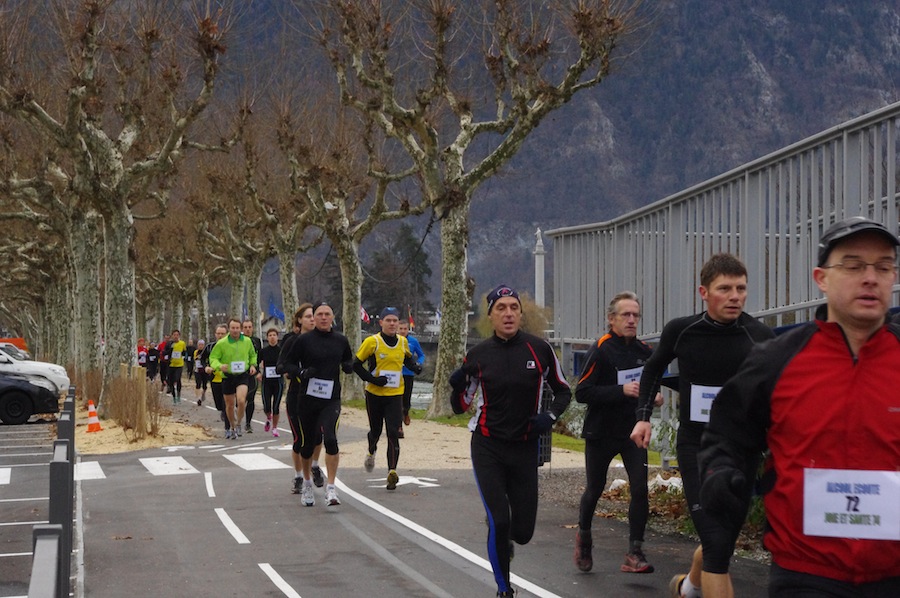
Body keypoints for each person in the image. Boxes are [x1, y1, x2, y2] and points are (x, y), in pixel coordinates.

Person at [699, 217, 900, 597]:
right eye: (854, 266)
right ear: (821, 278)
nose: (870, 277)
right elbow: (728, 433)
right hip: (805, 574)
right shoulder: (777, 359)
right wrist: (719, 471)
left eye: (884, 266)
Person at [629, 253, 775, 598]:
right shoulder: (683, 331)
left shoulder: (760, 336)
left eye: (741, 288)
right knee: (715, 542)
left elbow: (778, 392)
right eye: (725, 288)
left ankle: (689, 587)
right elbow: (652, 370)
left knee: (722, 541)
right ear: (704, 292)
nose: (735, 296)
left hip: (743, 450)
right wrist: (642, 417)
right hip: (697, 446)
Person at [449, 284, 571, 598]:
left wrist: (550, 418)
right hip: (487, 446)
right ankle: (504, 589)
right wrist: (456, 386)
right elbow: (461, 406)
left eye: (513, 308)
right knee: (498, 520)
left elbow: (563, 391)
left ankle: (507, 542)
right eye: (501, 308)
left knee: (523, 532)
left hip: (525, 447)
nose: (508, 313)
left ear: (520, 313)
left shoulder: (539, 349)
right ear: (490, 315)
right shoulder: (477, 355)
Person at [574, 291, 663, 574]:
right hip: (601, 432)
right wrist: (620, 390)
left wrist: (654, 397)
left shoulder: (645, 352)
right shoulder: (600, 349)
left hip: (632, 431)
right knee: (595, 489)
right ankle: (584, 537)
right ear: (611, 319)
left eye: (636, 315)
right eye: (626, 315)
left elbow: (652, 387)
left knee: (639, 489)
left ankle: (635, 552)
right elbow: (582, 392)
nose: (632, 320)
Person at [280, 301, 354, 506]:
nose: (322, 317)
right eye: (318, 314)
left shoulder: (340, 340)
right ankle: (307, 484)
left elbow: (349, 359)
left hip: (331, 399)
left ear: (332, 317)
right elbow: (286, 364)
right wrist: (301, 373)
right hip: (307, 399)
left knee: (330, 439)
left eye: (326, 314)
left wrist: (348, 366)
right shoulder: (303, 341)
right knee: (306, 445)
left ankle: (331, 488)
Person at [353, 306, 422, 490]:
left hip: (395, 394)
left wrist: (415, 367)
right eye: (389, 320)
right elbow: (356, 365)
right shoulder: (372, 342)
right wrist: (373, 379)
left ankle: (392, 471)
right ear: (381, 322)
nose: (392, 324)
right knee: (375, 431)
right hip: (374, 394)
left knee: (393, 432)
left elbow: (407, 360)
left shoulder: (402, 342)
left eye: (395, 321)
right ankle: (371, 450)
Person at [277, 304, 326, 492]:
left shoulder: (324, 340)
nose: (312, 319)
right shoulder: (292, 341)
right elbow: (281, 366)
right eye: (308, 316)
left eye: (314, 316)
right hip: (297, 394)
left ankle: (314, 465)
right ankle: (298, 476)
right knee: (300, 439)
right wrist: (300, 372)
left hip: (319, 394)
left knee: (319, 435)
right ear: (299, 320)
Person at [209, 318, 258, 438]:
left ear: (240, 329)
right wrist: (220, 366)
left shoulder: (247, 341)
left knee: (241, 401)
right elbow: (213, 358)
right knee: (230, 405)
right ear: (229, 329)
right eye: (233, 328)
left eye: (237, 328)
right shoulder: (222, 343)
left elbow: (253, 355)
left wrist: (252, 365)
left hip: (242, 375)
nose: (235, 330)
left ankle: (239, 423)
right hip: (228, 376)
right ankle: (232, 426)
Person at [397, 318, 425, 438]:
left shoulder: (413, 341)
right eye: (401, 329)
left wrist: (418, 363)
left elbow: (421, 355)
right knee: (396, 400)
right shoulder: (393, 341)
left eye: (405, 329)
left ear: (408, 329)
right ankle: (398, 427)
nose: (403, 331)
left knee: (406, 399)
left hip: (408, 374)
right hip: (395, 374)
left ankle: (406, 412)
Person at [202, 325, 229, 437]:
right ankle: (223, 411)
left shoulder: (231, 346)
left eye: (222, 333)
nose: (220, 336)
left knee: (226, 403)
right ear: (215, 334)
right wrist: (206, 367)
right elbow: (202, 359)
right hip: (215, 379)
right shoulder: (209, 347)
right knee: (219, 405)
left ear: (227, 334)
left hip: (227, 379)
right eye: (218, 333)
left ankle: (228, 427)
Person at [257, 328, 283, 437]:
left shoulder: (282, 350)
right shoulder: (263, 351)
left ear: (277, 337)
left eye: (274, 335)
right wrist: (258, 372)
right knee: (267, 406)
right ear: (267, 338)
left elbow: (287, 363)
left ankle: (275, 428)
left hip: (278, 381)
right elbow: (256, 363)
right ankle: (268, 417)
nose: (272, 337)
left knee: (276, 406)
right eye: (270, 335)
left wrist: (285, 371)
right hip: (266, 381)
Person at [242, 319, 262, 433]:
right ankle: (236, 419)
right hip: (239, 373)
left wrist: (258, 371)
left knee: (250, 398)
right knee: (240, 399)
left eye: (249, 327)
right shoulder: (238, 341)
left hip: (252, 373)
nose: (248, 329)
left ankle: (248, 423)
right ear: (242, 329)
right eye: (245, 327)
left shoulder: (257, 341)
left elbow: (258, 358)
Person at [165, 329, 187, 403]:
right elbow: (165, 352)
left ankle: (178, 395)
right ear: (172, 336)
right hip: (171, 365)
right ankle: (174, 397)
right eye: (174, 335)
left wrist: (184, 358)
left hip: (179, 365)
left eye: (177, 335)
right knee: (171, 381)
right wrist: (170, 350)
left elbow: (184, 352)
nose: (176, 336)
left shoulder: (182, 343)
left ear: (179, 336)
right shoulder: (169, 344)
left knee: (178, 379)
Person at [193, 339, 207, 405]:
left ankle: (203, 394)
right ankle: (198, 398)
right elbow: (195, 358)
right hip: (197, 370)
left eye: (202, 345)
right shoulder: (196, 351)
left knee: (204, 385)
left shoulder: (206, 351)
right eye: (199, 345)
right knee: (198, 384)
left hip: (204, 370)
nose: (200, 346)